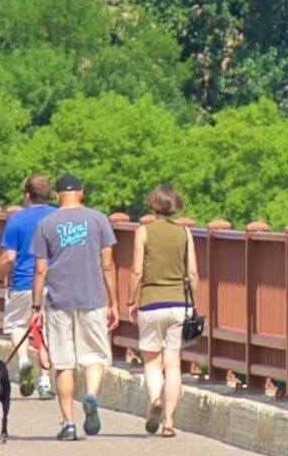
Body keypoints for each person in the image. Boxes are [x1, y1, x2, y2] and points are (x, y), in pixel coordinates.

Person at [29, 174, 119, 440]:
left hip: (58, 302)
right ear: (82, 192)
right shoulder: (98, 219)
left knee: (64, 363)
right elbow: (108, 265)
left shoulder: (46, 224)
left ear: (57, 195)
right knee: (95, 357)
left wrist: (35, 307)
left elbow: (40, 269)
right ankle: (90, 395)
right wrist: (113, 302)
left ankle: (68, 423)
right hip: (91, 299)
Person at [124, 187, 194, 437]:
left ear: (152, 205)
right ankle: (169, 422)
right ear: (176, 207)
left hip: (151, 303)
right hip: (179, 305)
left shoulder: (143, 231)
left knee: (152, 362)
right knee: (173, 364)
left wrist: (131, 300)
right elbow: (193, 273)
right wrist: (192, 304)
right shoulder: (185, 233)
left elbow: (137, 272)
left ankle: (155, 399)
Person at [0, 174, 56, 397]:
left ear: (27, 195)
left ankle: (22, 362)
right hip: (52, 284)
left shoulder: (16, 219)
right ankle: (45, 382)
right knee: (47, 331)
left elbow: (9, 256)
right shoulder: (57, 216)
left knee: (16, 324)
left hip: (22, 283)